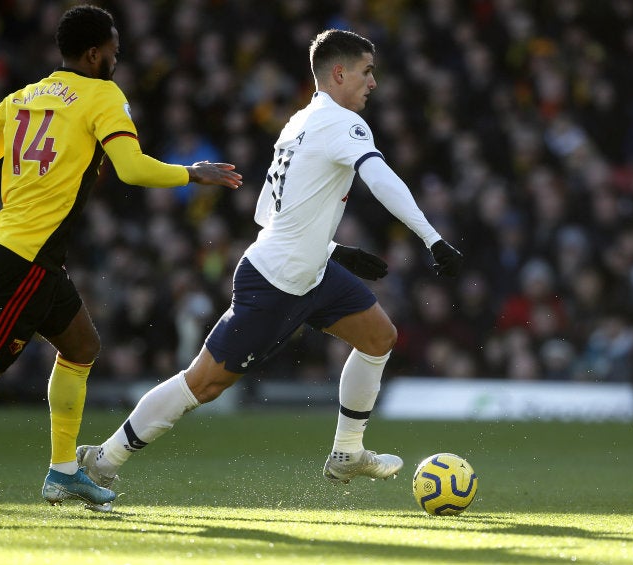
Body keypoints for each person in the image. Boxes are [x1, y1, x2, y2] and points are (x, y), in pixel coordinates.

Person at [75, 28, 464, 506]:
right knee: (204, 383)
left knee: (379, 337)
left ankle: (347, 452)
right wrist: (433, 238)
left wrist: (332, 250)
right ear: (338, 73)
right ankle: (105, 458)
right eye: (367, 72)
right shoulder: (343, 124)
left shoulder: (299, 122)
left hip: (312, 272)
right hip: (274, 282)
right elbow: (379, 177)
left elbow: (267, 213)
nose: (373, 83)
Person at [0, 5, 242, 511]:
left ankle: (63, 473)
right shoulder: (103, 95)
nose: (118, 56)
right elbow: (132, 169)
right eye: (114, 47)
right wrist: (191, 173)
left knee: (82, 346)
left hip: (21, 252)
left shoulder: (23, 97)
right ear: (94, 54)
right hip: (26, 262)